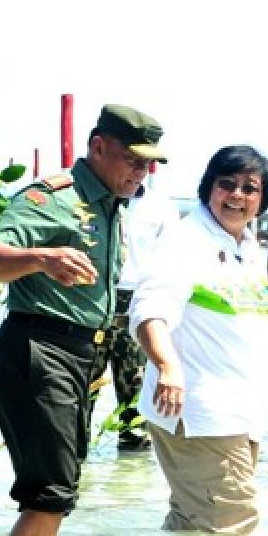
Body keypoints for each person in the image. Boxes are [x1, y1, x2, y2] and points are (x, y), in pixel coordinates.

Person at [0, 104, 167, 536]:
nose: (141, 172)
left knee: (58, 491)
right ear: (98, 147)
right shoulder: (52, 198)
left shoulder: (114, 206)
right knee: (49, 495)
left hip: (82, 355)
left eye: (149, 164)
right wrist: (41, 259)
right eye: (133, 160)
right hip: (40, 349)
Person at [130, 145, 268, 535]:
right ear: (207, 188)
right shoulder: (185, 241)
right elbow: (150, 311)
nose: (237, 196)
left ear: (263, 200)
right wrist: (167, 366)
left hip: (239, 415)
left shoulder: (247, 246)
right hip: (199, 411)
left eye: (250, 189)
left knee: (195, 523)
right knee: (231, 529)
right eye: (226, 184)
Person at [89, 176, 182, 450]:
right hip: (94, 299)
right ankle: (74, 469)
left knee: (137, 400)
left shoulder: (161, 208)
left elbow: (172, 265)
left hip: (138, 304)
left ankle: (132, 481)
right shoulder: (90, 201)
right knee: (80, 394)